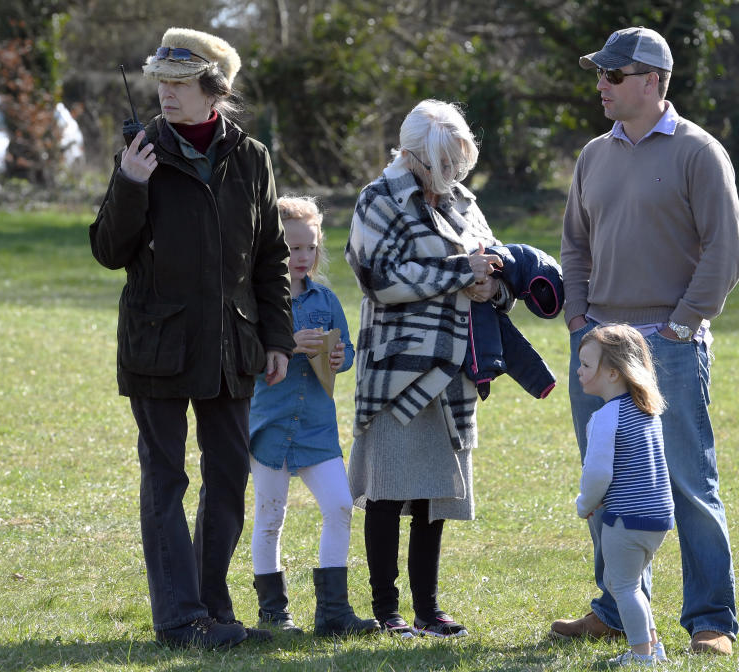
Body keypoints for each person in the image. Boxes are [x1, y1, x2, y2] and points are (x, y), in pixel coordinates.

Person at [90, 27, 295, 650]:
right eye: (161, 82)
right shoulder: (141, 151)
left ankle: (213, 608)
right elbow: (107, 250)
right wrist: (130, 184)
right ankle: (180, 619)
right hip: (157, 344)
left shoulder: (253, 157)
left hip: (233, 344)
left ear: (216, 90)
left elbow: (271, 257)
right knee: (166, 480)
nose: (165, 94)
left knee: (229, 477)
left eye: (179, 83)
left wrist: (278, 338)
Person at [552, 26, 739, 656]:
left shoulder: (699, 151)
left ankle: (710, 619)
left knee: (687, 480)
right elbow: (574, 245)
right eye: (599, 76)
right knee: (606, 476)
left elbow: (725, 251)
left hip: (670, 340)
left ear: (654, 82)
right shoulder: (592, 155)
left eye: (613, 76)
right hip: (599, 341)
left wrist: (683, 325)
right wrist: (579, 319)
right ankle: (615, 606)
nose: (600, 86)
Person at [345, 99, 507, 639]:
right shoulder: (379, 201)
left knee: (434, 494)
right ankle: (386, 609)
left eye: (459, 163)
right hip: (399, 370)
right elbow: (381, 280)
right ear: (414, 155)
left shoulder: (462, 201)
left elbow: (493, 257)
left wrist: (492, 283)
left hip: (454, 369)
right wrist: (462, 271)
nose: (453, 176)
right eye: (445, 164)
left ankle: (428, 609)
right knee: (389, 491)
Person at [248, 196, 378, 637]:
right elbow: (245, 360)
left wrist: (340, 355)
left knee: (340, 505)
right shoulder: (257, 302)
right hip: (270, 427)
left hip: (318, 429)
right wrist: (285, 343)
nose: (301, 258)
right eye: (291, 249)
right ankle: (274, 614)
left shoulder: (325, 299)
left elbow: (345, 350)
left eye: (310, 248)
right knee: (270, 515)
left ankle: (334, 613)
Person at [575, 325, 673, 666]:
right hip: (657, 516)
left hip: (625, 519)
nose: (579, 371)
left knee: (622, 586)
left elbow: (598, 473)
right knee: (631, 585)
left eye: (586, 365)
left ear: (613, 372)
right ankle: (653, 648)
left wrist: (585, 504)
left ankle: (641, 655)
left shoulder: (605, 418)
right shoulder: (648, 411)